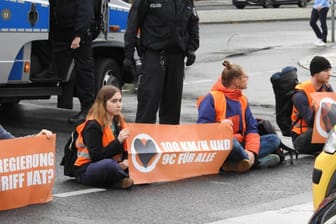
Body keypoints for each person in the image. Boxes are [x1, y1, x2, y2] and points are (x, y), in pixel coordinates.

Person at [123, 0, 200, 124]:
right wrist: (128, 54)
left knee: (172, 106)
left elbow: (193, 22)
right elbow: (133, 24)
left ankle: (169, 139)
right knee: (149, 100)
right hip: (154, 54)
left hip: (177, 57)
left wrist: (192, 47)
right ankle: (143, 137)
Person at [197, 60, 281, 173]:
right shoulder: (211, 98)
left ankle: (241, 162)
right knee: (232, 143)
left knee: (274, 139)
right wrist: (220, 126)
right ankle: (251, 162)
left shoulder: (242, 100)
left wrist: (251, 151)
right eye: (245, 77)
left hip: (241, 145)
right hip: (222, 145)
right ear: (237, 81)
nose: (248, 78)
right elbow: (202, 130)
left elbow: (252, 129)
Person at [73, 85, 133, 189]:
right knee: (109, 165)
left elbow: (127, 149)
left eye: (120, 100)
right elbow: (96, 156)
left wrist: (127, 160)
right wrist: (118, 142)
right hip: (88, 167)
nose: (118, 105)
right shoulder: (93, 125)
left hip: (114, 163)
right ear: (103, 103)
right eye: (114, 101)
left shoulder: (118, 122)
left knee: (137, 162)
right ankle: (122, 178)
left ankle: (119, 180)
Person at [51, 0, 96, 124]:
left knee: (84, 71)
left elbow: (85, 13)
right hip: (66, 31)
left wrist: (78, 36)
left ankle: (88, 110)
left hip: (79, 35)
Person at [291, 56, 333, 155]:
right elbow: (311, 121)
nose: (329, 74)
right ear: (315, 73)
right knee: (319, 132)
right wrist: (316, 110)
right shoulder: (300, 95)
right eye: (326, 71)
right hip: (302, 138)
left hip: (321, 132)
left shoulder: (326, 88)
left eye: (329, 70)